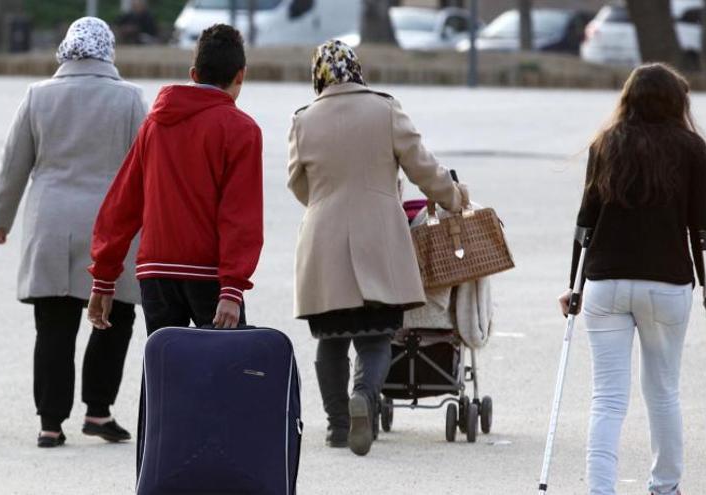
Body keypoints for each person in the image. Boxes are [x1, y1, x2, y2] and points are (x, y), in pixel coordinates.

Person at [87, 23, 263, 468]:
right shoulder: (240, 129)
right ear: (240, 75)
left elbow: (122, 202)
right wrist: (233, 288)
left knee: (165, 376)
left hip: (156, 274)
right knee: (223, 380)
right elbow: (240, 215)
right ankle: (219, 470)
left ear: (192, 71)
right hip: (209, 276)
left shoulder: (155, 125)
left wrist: (104, 277)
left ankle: (160, 468)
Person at [287, 40, 467, 456]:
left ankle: (336, 426)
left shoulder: (303, 120)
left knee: (330, 340)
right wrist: (454, 196)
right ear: (357, 70)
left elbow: (299, 185)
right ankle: (364, 398)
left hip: (323, 240)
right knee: (376, 338)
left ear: (318, 75)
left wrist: (325, 204)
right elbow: (423, 167)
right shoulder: (385, 109)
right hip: (379, 238)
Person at [558, 63, 706, 495]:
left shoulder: (605, 145)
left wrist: (573, 284)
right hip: (667, 284)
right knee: (663, 392)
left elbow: (584, 224)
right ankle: (665, 487)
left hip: (604, 283)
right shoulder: (691, 148)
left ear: (628, 100)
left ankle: (600, 489)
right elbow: (702, 227)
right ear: (678, 102)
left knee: (607, 399)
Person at [0, 17, 148, 449]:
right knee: (115, 317)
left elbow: (14, 163)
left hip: (51, 223)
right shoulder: (130, 99)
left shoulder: (38, 95)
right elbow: (148, 170)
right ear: (107, 50)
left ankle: (50, 424)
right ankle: (98, 411)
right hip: (112, 226)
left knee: (54, 325)